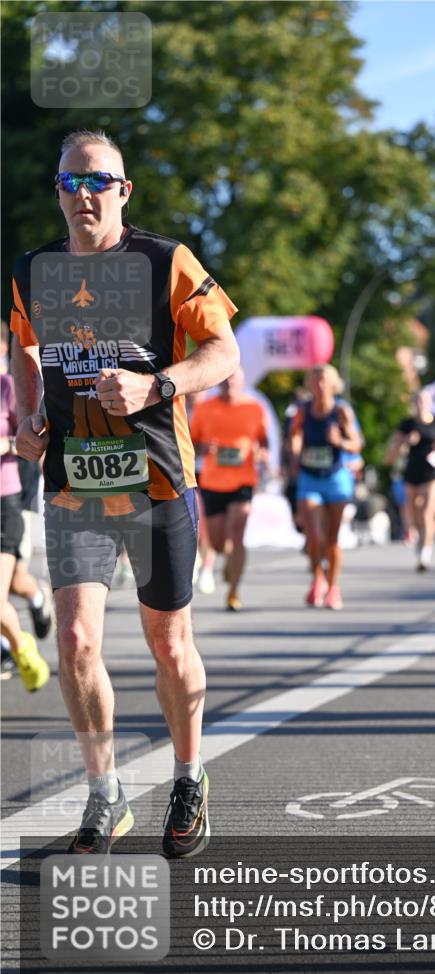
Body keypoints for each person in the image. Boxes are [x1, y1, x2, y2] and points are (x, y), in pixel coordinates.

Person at [11, 129, 240, 856]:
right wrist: (26, 415)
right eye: (71, 184)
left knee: (168, 644)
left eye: (97, 182)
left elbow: (224, 351)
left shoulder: (162, 261)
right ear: (57, 192)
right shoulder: (32, 270)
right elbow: (23, 345)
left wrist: (157, 383)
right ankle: (104, 796)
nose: (84, 195)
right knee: (76, 640)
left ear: (123, 190)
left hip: (157, 479)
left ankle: (188, 775)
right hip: (74, 481)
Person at [189, 368, 269, 611]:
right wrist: (203, 449)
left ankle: (233, 592)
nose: (229, 382)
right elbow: (191, 442)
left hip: (243, 480)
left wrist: (261, 453)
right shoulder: (205, 408)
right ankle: (227, 562)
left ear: (242, 382)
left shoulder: (254, 408)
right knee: (218, 542)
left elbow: (264, 443)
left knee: (238, 531)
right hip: (213, 482)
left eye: (233, 378)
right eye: (224, 379)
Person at [288, 364, 362, 609]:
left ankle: (333, 587)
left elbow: (356, 444)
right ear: (310, 384)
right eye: (316, 380)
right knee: (313, 537)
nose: (320, 385)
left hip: (335, 478)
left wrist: (339, 440)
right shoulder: (303, 410)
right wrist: (296, 451)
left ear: (333, 384)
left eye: (324, 381)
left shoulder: (341, 410)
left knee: (331, 539)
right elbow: (294, 435)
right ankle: (317, 578)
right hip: (309, 477)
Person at [1, 368, 50, 690]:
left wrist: (5, 442)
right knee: (14, 583)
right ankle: (17, 642)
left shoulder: (7, 386)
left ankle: (16, 649)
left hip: (5, 501)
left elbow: (37, 438)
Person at [385, 390, 435, 571]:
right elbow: (393, 450)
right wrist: (405, 443)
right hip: (411, 473)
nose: (421, 404)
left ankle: (425, 553)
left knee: (427, 512)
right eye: (418, 400)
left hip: (431, 474)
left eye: (424, 401)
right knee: (415, 513)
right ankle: (420, 541)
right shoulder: (407, 424)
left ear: (430, 403)